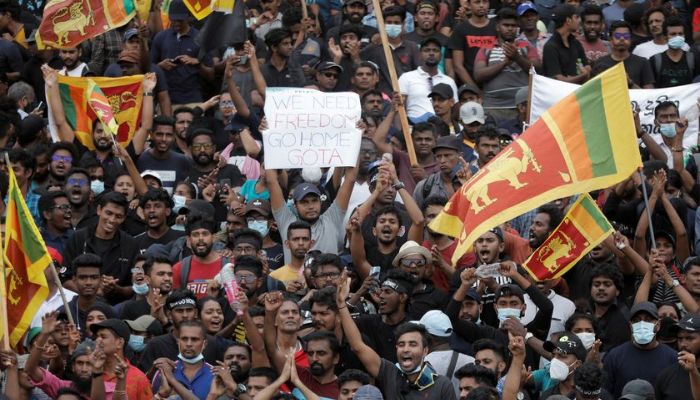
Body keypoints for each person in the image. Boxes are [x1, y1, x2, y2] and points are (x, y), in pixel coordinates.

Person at [336, 273, 457, 399]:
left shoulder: (442, 385)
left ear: (425, 350)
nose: (406, 349)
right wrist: (341, 304)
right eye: (401, 344)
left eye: (413, 344)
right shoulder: (390, 374)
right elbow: (358, 346)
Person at [473, 8, 539, 122]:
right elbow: (478, 75)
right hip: (493, 109)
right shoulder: (486, 49)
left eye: (513, 26)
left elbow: (538, 69)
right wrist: (504, 63)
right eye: (506, 25)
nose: (510, 28)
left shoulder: (526, 47)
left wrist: (517, 58)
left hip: (522, 109)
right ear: (498, 27)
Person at [603, 301, 677, 397]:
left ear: (658, 325)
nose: (642, 324)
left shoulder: (672, 358)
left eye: (648, 320)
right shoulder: (615, 356)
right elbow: (606, 393)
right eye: (636, 320)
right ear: (630, 325)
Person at [398, 38, 457, 123]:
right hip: (414, 128)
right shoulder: (406, 78)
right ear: (420, 54)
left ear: (441, 55)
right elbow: (400, 107)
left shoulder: (449, 81)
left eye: (435, 50)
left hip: (442, 129)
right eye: (427, 50)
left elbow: (454, 108)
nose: (431, 53)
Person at [90, 319, 153, 399]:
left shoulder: (138, 378)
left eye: (103, 337)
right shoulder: (89, 372)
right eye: (97, 337)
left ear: (119, 342)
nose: (98, 340)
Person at [152, 320, 215, 399]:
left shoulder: (215, 375)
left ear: (204, 344)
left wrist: (172, 380)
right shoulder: (163, 372)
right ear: (178, 342)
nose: (189, 344)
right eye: (184, 339)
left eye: (194, 339)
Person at [448, 0, 497, 86]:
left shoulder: (497, 28)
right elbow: (458, 65)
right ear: (469, 5)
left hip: (494, 85)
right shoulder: (460, 29)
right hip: (468, 87)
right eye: (477, 2)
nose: (481, 5)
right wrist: (474, 90)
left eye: (485, 2)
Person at [593, 21, 654, 88]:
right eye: (618, 36)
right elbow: (593, 91)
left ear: (631, 39)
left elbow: (649, 94)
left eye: (626, 36)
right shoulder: (600, 63)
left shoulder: (642, 62)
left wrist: (630, 82)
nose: (622, 39)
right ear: (610, 39)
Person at [655, 313, 700, 399]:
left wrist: (693, 371)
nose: (683, 344)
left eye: (689, 338)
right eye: (680, 338)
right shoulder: (666, 375)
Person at [543, 4, 590, 83]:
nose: (580, 20)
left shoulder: (576, 43)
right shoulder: (550, 47)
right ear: (568, 20)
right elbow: (559, 80)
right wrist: (582, 76)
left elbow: (587, 66)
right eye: (576, 17)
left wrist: (577, 76)